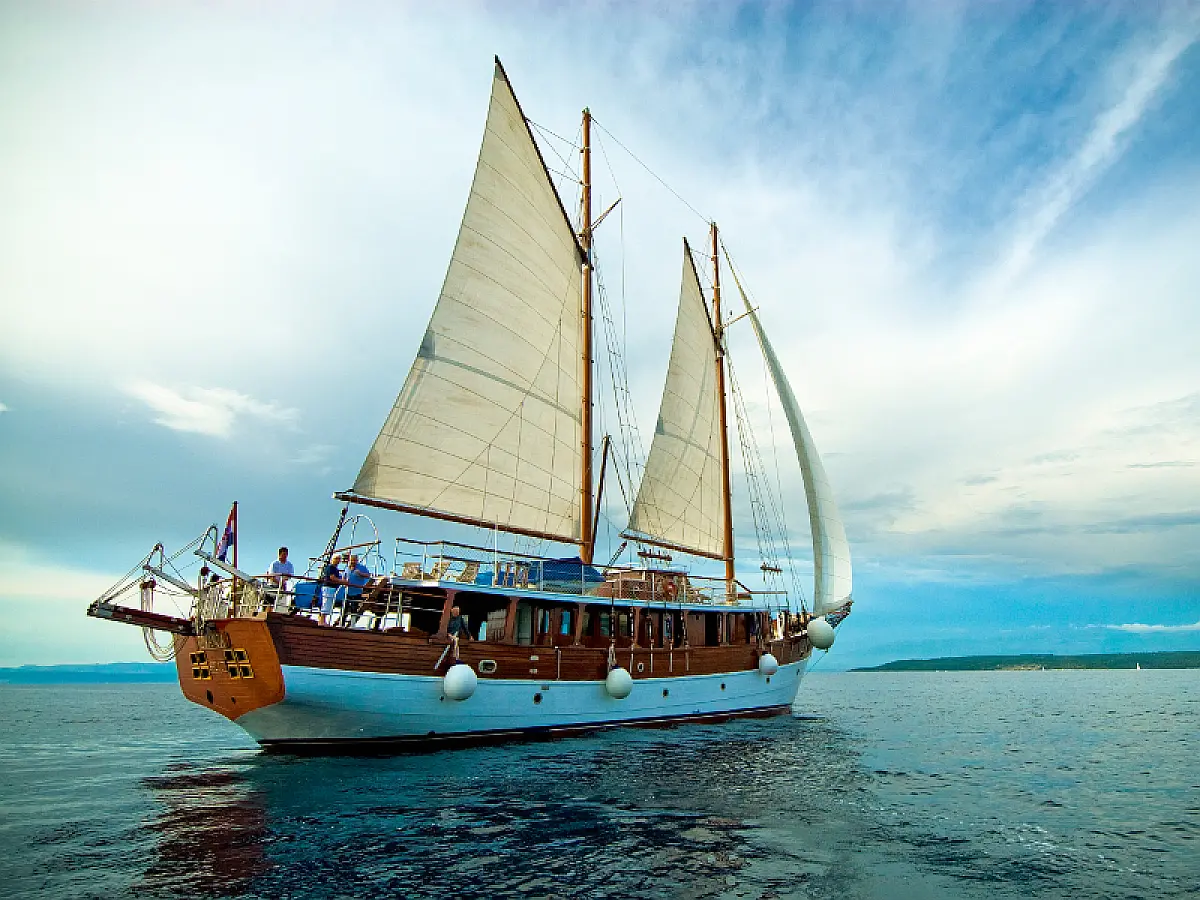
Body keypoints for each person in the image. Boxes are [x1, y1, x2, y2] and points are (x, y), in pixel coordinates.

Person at [342, 554, 373, 627]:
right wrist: (344, 583)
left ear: (357, 560)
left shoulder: (362, 567)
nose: (353, 562)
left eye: (354, 560)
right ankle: (342, 623)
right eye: (351, 560)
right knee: (345, 608)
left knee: (354, 608)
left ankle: (352, 624)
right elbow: (344, 576)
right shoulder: (347, 568)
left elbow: (368, 575)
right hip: (347, 591)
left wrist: (360, 574)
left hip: (357, 591)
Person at [319, 554, 347, 626]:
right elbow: (332, 577)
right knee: (326, 603)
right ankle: (322, 621)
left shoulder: (335, 569)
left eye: (339, 559)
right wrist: (342, 581)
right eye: (336, 559)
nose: (338, 560)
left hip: (332, 588)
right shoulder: (330, 567)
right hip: (328, 587)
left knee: (328, 604)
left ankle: (323, 621)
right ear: (332, 559)